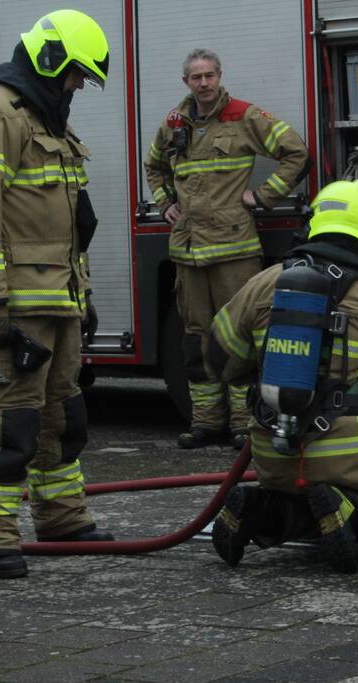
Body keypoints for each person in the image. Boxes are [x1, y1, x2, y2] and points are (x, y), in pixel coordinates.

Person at [207, 180, 358, 573]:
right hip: (353, 462)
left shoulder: (263, 284)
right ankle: (357, 513)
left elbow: (215, 362)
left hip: (273, 454)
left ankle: (259, 509)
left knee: (308, 500)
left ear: (312, 224)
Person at [0, 10, 113, 579]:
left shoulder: (48, 121)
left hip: (57, 301)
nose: (77, 86)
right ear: (49, 59)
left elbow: (69, 226)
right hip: (16, 305)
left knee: (63, 418)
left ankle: (63, 518)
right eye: (75, 74)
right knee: (10, 422)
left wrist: (82, 295)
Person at [144, 49, 311, 450]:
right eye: (196, 77)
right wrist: (165, 203)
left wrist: (264, 196)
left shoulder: (244, 116)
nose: (203, 83)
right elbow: (154, 166)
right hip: (188, 254)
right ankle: (205, 422)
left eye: (209, 75)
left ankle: (243, 424)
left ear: (220, 76)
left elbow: (296, 153)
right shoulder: (174, 123)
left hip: (234, 251)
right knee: (195, 341)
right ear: (186, 82)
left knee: (240, 337)